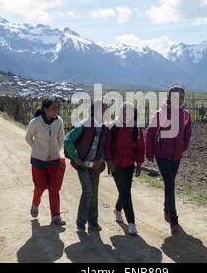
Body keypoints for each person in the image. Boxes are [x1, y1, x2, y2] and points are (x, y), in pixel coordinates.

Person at [145, 85, 192, 234]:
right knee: (170, 182)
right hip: (162, 153)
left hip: (177, 154)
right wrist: (149, 152)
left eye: (182, 97)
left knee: (169, 183)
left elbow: (188, 133)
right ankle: (173, 218)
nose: (179, 100)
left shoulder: (186, 115)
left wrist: (183, 146)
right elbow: (150, 133)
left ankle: (166, 208)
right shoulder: (161, 113)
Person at [64, 100, 109, 232]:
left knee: (94, 194)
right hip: (83, 163)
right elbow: (68, 140)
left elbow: (104, 147)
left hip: (94, 165)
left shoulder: (104, 128)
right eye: (104, 110)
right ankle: (80, 224)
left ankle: (93, 223)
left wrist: (100, 160)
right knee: (88, 192)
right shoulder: (84, 124)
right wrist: (76, 157)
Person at [105, 103, 145, 235]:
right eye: (123, 112)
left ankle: (117, 210)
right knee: (126, 193)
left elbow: (140, 146)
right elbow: (107, 146)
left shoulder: (135, 128)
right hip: (116, 165)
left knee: (125, 190)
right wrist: (109, 161)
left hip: (129, 164)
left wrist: (139, 163)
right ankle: (132, 223)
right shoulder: (112, 127)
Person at [25, 98, 66, 225]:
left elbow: (60, 138)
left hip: (54, 159)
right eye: (53, 108)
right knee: (40, 186)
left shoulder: (58, 121)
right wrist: (37, 149)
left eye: (56, 108)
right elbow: (28, 138)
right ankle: (35, 204)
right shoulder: (35, 122)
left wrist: (54, 152)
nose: (56, 110)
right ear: (45, 109)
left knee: (54, 189)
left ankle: (56, 216)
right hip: (38, 160)